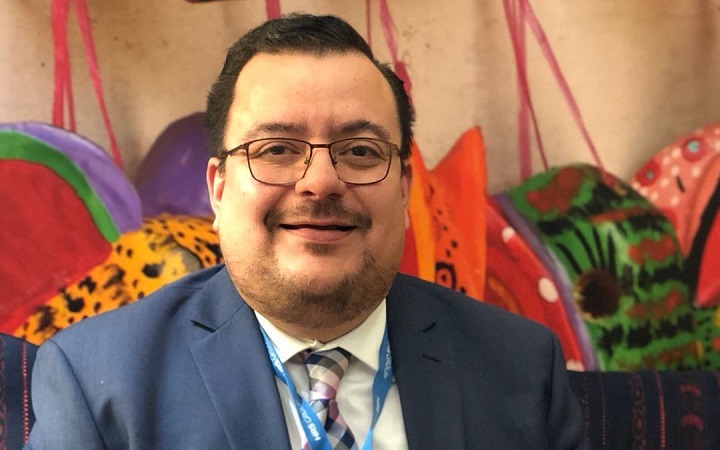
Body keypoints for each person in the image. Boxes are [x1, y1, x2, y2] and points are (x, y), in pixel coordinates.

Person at [24, 13, 587, 450]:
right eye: (276, 149)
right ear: (218, 188)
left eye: (361, 151)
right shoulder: (98, 379)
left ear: (403, 189)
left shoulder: (519, 365)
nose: (320, 182)